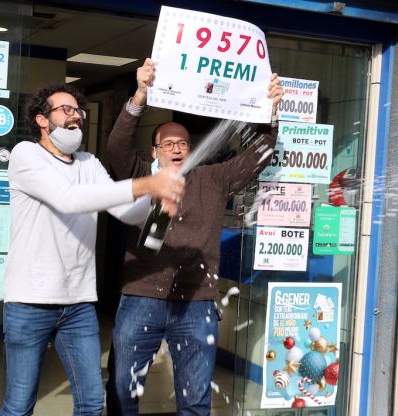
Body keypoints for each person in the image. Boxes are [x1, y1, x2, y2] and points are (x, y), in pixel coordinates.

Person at [105, 59, 283, 415]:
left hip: (197, 302)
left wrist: (271, 111)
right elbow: (117, 147)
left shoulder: (212, 179)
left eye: (183, 143)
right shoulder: (140, 176)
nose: (176, 148)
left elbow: (258, 156)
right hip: (141, 297)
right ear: (154, 152)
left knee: (196, 400)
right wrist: (140, 94)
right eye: (167, 143)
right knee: (122, 394)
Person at [1, 84, 185, 416]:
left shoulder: (88, 162)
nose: (75, 117)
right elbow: (69, 199)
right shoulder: (25, 155)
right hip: (29, 302)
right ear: (42, 119)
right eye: (65, 110)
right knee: (19, 405)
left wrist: (159, 204)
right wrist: (146, 184)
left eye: (78, 111)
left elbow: (124, 211)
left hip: (78, 305)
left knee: (90, 403)